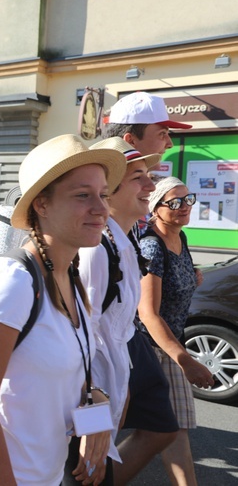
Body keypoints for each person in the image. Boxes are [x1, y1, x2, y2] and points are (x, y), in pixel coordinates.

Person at [0, 134, 126, 485]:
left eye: (103, 195)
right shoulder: (11, 281)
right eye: (82, 195)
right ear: (42, 205)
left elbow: (73, 372)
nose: (101, 208)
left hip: (46, 475)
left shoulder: (68, 277)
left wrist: (97, 413)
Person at [73, 137, 177, 485]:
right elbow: (82, 339)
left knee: (99, 468)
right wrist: (95, 417)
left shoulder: (121, 239)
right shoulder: (97, 250)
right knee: (86, 470)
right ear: (110, 191)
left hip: (113, 376)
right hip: (93, 389)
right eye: (139, 178)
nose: (151, 185)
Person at [101, 92, 193, 483]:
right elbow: (88, 327)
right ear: (131, 141)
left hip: (124, 349)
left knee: (162, 426)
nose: (169, 143)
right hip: (113, 355)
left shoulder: (124, 229)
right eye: (163, 133)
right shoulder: (97, 234)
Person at [138, 177, 213, 486]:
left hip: (168, 344)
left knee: (166, 428)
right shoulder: (152, 245)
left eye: (188, 199)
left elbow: (173, 285)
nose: (185, 207)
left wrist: (190, 277)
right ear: (156, 208)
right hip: (151, 347)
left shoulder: (180, 239)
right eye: (175, 202)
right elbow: (148, 312)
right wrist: (186, 361)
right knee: (170, 427)